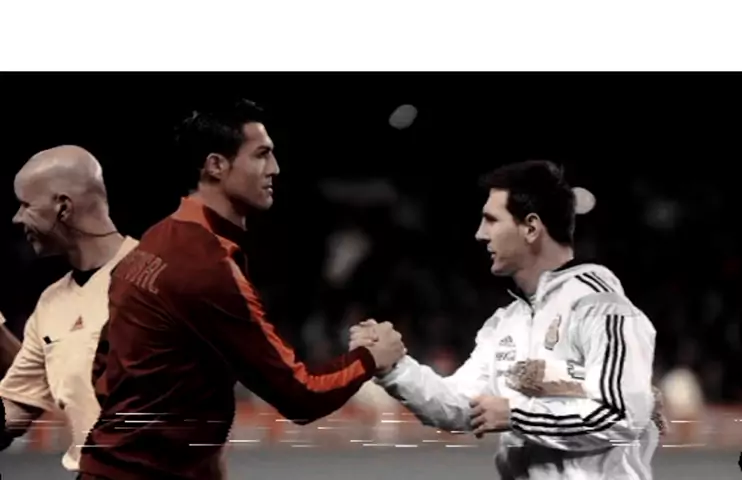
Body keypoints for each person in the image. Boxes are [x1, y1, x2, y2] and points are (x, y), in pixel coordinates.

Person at [79, 98, 406, 480]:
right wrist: (372, 357)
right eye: (261, 155)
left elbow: (104, 366)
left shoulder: (154, 240)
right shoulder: (207, 266)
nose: (275, 168)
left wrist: (196, 449)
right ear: (216, 165)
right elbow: (301, 396)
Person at [351, 160, 660, 479]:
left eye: (491, 220)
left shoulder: (602, 308)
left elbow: (619, 415)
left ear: (531, 228)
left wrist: (518, 416)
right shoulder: (506, 323)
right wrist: (393, 367)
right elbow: (459, 407)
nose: (480, 234)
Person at [0, 145, 138, 470]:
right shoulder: (50, 304)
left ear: (62, 207)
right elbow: (12, 412)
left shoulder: (162, 279)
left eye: (25, 205)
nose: (16, 218)